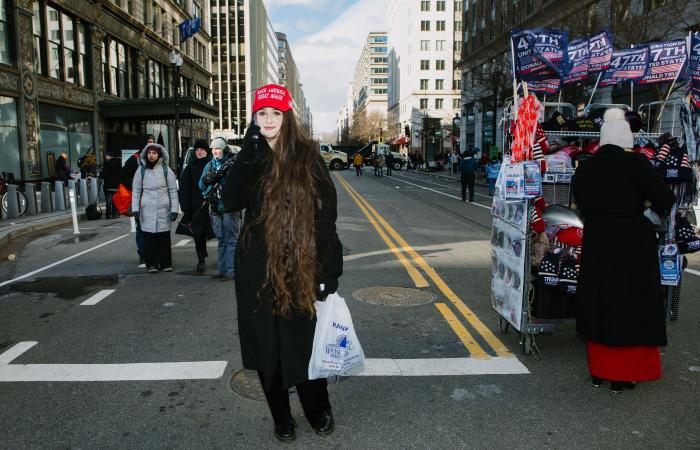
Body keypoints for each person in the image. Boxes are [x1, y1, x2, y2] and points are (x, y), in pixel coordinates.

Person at [223, 84, 342, 442]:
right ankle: (281, 417)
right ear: (254, 117)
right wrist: (247, 154)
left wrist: (328, 272)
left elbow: (326, 220)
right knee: (266, 350)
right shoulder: (250, 156)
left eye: (276, 113)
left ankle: (318, 409)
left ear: (286, 116)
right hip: (256, 271)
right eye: (262, 113)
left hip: (300, 269)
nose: (269, 120)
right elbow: (230, 200)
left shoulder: (308, 156)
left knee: (303, 346)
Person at [572, 108, 675, 393]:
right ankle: (622, 374)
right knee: (630, 302)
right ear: (627, 139)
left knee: (599, 299)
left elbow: (579, 202)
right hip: (632, 241)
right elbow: (664, 199)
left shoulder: (585, 168)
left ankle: (598, 371)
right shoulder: (637, 165)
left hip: (596, 239)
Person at [131, 143, 179, 273]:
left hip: (164, 208)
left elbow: (173, 191)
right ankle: (151, 264)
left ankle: (166, 263)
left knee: (163, 238)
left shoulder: (166, 170)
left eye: (154, 153)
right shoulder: (140, 171)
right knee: (148, 238)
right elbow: (136, 191)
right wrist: (135, 209)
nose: (151, 155)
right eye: (149, 153)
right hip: (147, 209)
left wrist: (175, 209)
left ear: (159, 155)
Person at [200, 136, 241, 281]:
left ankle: (231, 271)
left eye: (218, 149)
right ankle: (222, 270)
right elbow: (201, 186)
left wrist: (222, 179)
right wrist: (207, 182)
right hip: (215, 207)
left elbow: (239, 186)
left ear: (224, 150)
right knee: (221, 239)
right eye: (213, 149)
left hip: (230, 207)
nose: (216, 151)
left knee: (231, 240)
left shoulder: (233, 165)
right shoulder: (209, 165)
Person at [179, 139, 213, 272]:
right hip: (196, 206)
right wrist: (185, 206)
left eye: (202, 150)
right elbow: (183, 188)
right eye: (197, 150)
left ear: (207, 151)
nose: (199, 152)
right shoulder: (190, 167)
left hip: (211, 204)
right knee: (198, 234)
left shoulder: (212, 165)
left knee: (214, 232)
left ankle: (224, 259)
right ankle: (201, 259)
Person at [121, 134, 155, 264]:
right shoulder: (133, 160)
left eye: (152, 142)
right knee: (141, 227)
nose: (150, 144)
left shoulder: (156, 158)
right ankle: (143, 253)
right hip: (139, 200)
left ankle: (152, 251)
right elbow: (123, 178)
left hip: (154, 199)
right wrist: (137, 188)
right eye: (148, 142)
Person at [100, 150, 121, 219]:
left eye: (107, 156)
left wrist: (101, 174)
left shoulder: (108, 163)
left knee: (108, 201)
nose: (106, 157)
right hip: (117, 185)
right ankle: (114, 214)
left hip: (108, 185)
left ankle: (108, 215)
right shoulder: (119, 163)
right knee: (115, 200)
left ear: (109, 156)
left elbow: (103, 174)